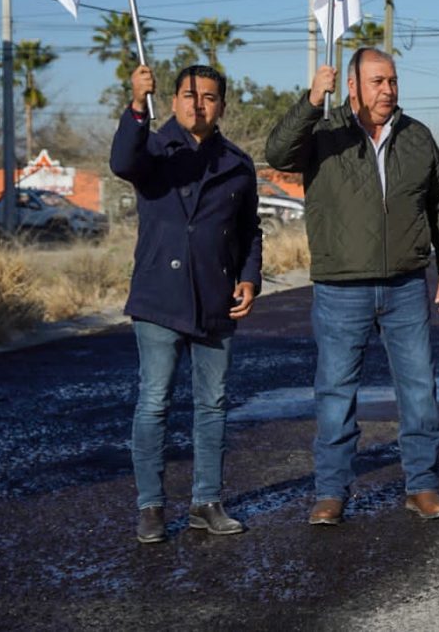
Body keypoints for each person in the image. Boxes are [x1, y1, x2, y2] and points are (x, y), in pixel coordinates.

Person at [265, 47, 439, 526]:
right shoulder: (325, 132)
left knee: (418, 389)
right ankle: (331, 491)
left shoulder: (417, 136)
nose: (388, 90)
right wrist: (312, 100)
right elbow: (277, 153)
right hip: (341, 287)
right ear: (352, 86)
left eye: (393, 81)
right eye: (377, 81)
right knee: (335, 392)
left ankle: (422, 485)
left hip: (405, 285)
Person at [110, 64, 262, 544]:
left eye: (210, 97)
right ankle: (151, 508)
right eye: (190, 95)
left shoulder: (237, 163)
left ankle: (206, 502)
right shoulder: (153, 151)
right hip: (159, 297)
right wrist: (136, 106)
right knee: (154, 403)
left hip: (216, 300)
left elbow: (249, 230)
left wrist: (250, 278)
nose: (199, 104)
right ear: (173, 100)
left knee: (213, 404)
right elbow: (121, 161)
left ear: (221, 106)